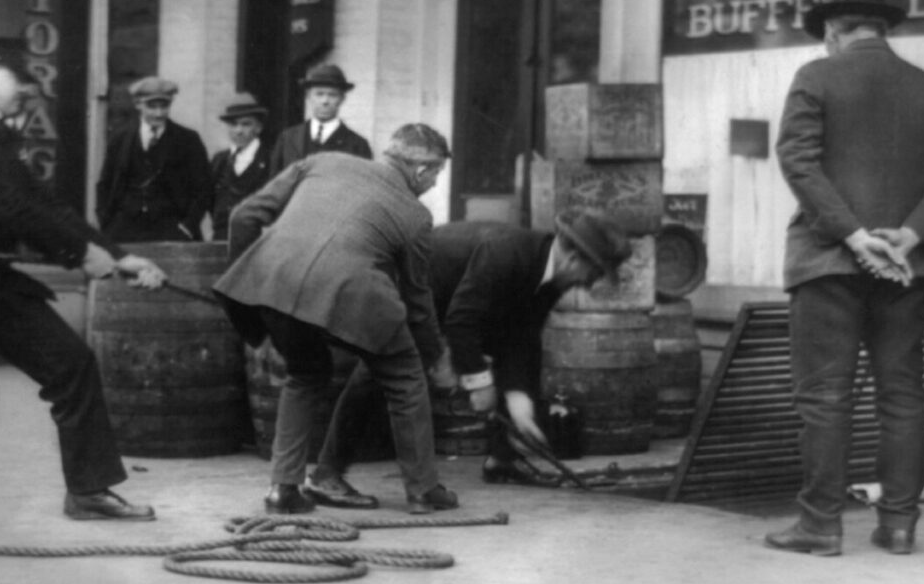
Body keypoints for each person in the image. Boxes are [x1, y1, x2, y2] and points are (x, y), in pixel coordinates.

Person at [0, 37, 168, 520]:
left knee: (71, 365)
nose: (25, 90)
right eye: (17, 78)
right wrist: (80, 254)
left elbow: (43, 205)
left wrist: (118, 256)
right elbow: (5, 206)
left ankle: (89, 491)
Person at [764, 0, 924, 557]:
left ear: (836, 31)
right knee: (901, 397)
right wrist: (910, 235)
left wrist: (854, 235)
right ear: (881, 28)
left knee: (825, 398)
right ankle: (898, 524)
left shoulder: (816, 77)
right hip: (908, 266)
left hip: (827, 262)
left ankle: (819, 526)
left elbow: (798, 161)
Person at [303, 211, 632, 509]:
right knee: (379, 371)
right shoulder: (506, 253)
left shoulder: (551, 275)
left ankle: (502, 461)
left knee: (521, 354)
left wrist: (519, 402)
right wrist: (477, 381)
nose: (591, 283)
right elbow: (462, 321)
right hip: (403, 289)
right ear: (574, 258)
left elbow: (522, 338)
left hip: (451, 301)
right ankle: (327, 475)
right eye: (596, 272)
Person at [213, 124, 455, 515]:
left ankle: (284, 490)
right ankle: (423, 492)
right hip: (347, 297)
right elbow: (417, 301)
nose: (433, 184)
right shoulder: (416, 216)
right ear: (422, 170)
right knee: (406, 376)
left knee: (305, 375)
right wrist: (436, 357)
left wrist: (244, 283)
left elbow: (243, 216)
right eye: (437, 175)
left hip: (273, 283)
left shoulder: (322, 162)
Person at [95, 76, 212, 243]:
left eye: (164, 106)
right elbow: (104, 184)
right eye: (152, 106)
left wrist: (188, 226)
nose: (159, 113)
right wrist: (106, 223)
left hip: (172, 228)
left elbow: (204, 188)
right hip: (125, 228)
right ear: (138, 105)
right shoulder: (120, 138)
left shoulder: (187, 139)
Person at [269, 64, 371, 172]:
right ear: (308, 96)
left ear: (342, 99)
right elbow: (275, 183)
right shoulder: (288, 138)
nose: (325, 101)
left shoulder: (357, 145)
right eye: (319, 94)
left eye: (332, 95)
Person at [209, 93, 270, 241]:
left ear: (258, 128)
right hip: (222, 238)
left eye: (246, 124)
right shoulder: (220, 160)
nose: (238, 130)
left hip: (256, 239)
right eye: (233, 124)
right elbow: (209, 199)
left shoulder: (270, 159)